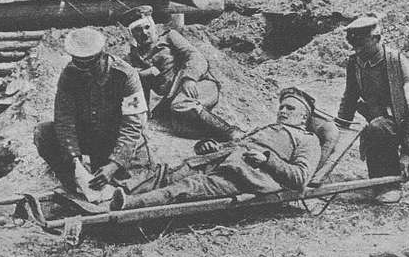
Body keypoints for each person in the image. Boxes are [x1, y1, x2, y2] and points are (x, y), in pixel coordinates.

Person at [113, 87, 322, 210]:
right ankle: (111, 196)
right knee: (166, 174)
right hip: (217, 161)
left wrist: (267, 160)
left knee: (186, 187)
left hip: (243, 177)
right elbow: (236, 145)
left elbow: (300, 178)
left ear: (304, 117)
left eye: (290, 108)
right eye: (282, 107)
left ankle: (127, 205)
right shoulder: (266, 129)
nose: (283, 111)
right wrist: (209, 146)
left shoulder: (307, 140)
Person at [338, 15, 409, 203]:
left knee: (378, 129)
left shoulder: (398, 63)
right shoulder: (355, 63)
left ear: (376, 38)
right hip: (382, 124)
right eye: (354, 46)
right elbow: (350, 96)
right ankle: (385, 182)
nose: (358, 51)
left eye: (362, 45)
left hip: (406, 123)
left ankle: (392, 185)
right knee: (376, 128)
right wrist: (338, 129)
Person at [33, 27, 149, 200]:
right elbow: (64, 120)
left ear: (103, 56)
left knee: (130, 188)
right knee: (43, 132)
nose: (84, 70)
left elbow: (132, 126)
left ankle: (110, 179)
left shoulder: (125, 75)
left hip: (117, 140)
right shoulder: (70, 75)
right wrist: (75, 160)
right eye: (79, 64)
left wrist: (114, 164)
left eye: (90, 64)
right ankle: (78, 185)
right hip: (89, 137)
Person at [119, 5, 234, 140]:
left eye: (147, 27)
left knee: (181, 105)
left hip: (199, 85)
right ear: (132, 34)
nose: (144, 33)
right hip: (173, 96)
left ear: (153, 26)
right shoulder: (134, 56)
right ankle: (218, 138)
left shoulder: (169, 37)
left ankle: (229, 131)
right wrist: (145, 74)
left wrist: (189, 78)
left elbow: (196, 56)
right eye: (138, 30)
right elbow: (127, 78)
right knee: (181, 128)